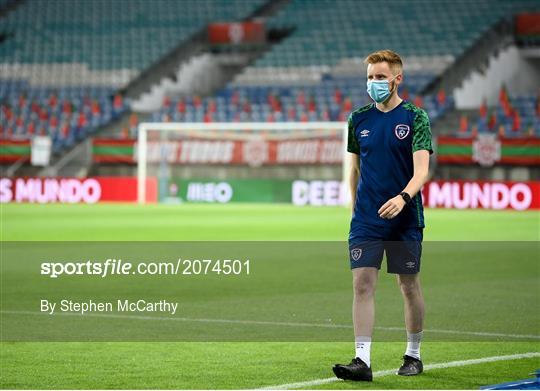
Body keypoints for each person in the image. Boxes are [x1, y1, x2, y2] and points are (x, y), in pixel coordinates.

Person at [332, 49, 432, 382]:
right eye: (370, 77)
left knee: (408, 285)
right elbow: (355, 168)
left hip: (404, 217)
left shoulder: (416, 117)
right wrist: (352, 205)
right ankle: (362, 360)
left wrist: (404, 198)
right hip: (366, 219)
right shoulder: (357, 119)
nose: (373, 82)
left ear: (396, 79)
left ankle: (413, 354)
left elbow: (421, 172)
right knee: (362, 284)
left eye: (380, 77)